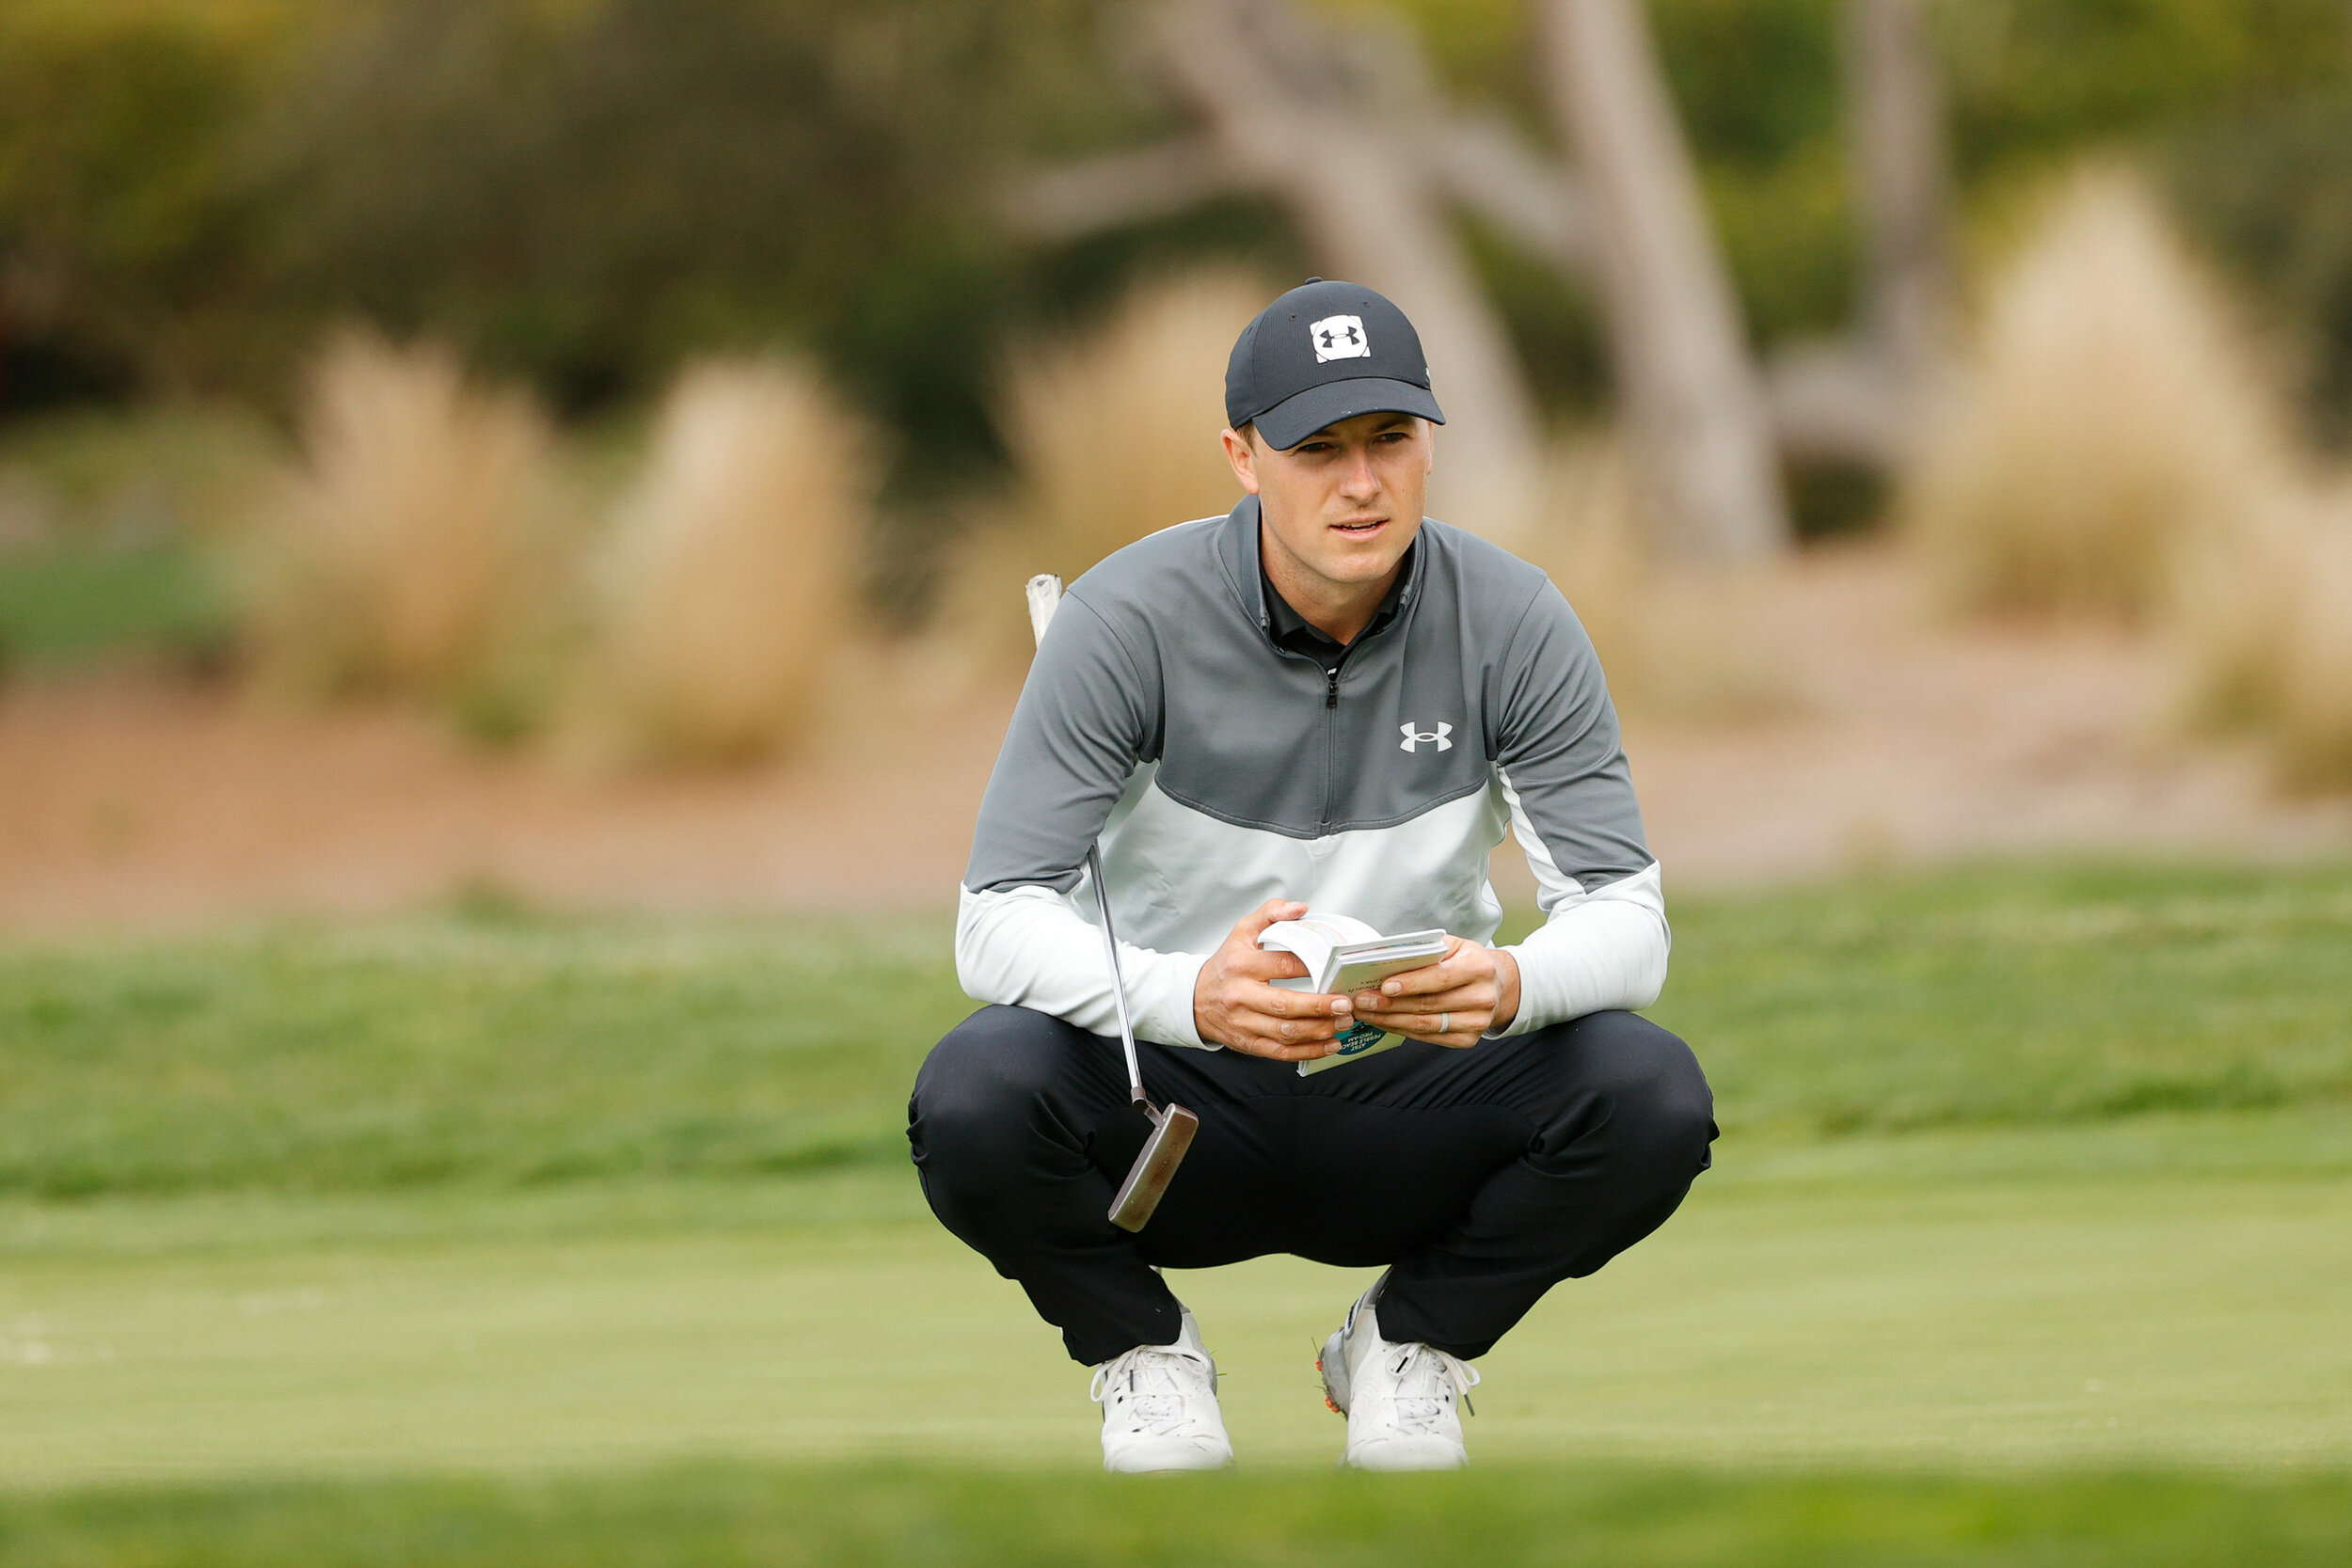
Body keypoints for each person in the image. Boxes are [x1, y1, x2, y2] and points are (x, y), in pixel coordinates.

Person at [908, 279, 1715, 1473]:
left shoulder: (1514, 619)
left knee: (1649, 1091)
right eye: (1316, 448)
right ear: (1242, 456)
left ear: (1427, 443)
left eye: (1390, 440)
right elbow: (995, 922)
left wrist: (1501, 984)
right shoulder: (1124, 619)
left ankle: (1409, 1340)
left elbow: (1628, 923)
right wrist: (1191, 998)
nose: (1361, 482)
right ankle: (1141, 1349)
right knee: (973, 1092)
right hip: (1169, 1107)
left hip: (1410, 1092)